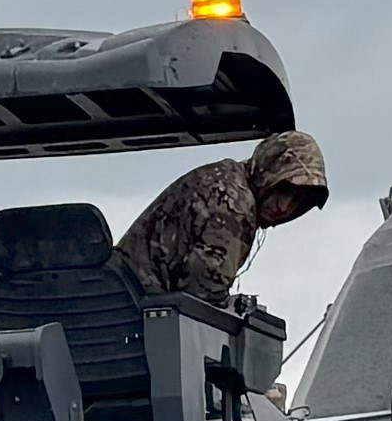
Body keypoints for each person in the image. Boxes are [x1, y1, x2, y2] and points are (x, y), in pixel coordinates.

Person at [116, 128, 329, 305]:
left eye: (298, 202)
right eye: (283, 190)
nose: (284, 207)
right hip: (135, 306)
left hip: (124, 295)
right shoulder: (235, 206)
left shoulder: (228, 179)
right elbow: (202, 295)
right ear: (269, 168)